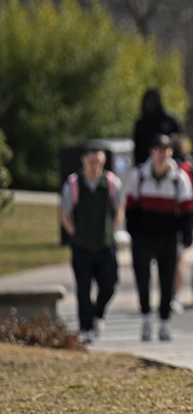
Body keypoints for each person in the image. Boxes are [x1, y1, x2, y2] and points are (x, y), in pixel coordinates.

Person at [124, 134, 193, 341]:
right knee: (143, 278)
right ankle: (146, 318)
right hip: (144, 235)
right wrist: (134, 232)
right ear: (151, 152)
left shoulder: (178, 178)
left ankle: (164, 321)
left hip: (168, 236)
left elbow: (187, 208)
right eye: (158, 150)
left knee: (167, 280)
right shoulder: (139, 175)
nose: (162, 154)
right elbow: (130, 206)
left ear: (171, 152)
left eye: (166, 150)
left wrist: (187, 234)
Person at [59, 144, 124, 344]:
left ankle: (99, 313)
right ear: (84, 161)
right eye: (92, 162)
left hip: (105, 245)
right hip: (82, 246)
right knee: (83, 289)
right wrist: (75, 234)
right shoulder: (73, 184)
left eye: (99, 162)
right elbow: (66, 214)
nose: (95, 166)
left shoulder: (111, 183)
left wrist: (111, 231)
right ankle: (85, 327)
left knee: (109, 284)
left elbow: (118, 209)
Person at [169, 133, 193, 314]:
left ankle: (170, 295)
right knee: (178, 260)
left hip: (167, 217)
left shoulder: (170, 168)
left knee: (170, 259)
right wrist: (192, 218)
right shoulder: (190, 168)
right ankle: (174, 296)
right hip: (184, 217)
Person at [132, 89, 183, 166]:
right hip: (145, 164)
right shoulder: (141, 124)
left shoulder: (169, 120)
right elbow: (137, 147)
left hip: (170, 163)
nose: (151, 104)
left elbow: (180, 142)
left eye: (154, 100)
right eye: (149, 101)